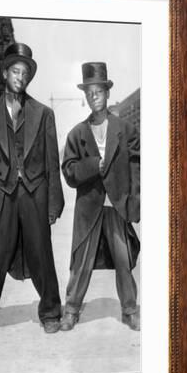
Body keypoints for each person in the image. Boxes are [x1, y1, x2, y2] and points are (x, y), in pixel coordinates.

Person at [0, 43, 64, 335]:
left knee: (41, 253)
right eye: (15, 70)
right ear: (5, 72)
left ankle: (50, 311)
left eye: (25, 72)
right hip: (1, 192)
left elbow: (52, 162)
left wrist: (53, 204)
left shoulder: (44, 113)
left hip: (35, 191)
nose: (20, 76)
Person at [60, 62, 140, 332]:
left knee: (123, 259)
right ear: (85, 96)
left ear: (107, 93)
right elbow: (69, 171)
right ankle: (71, 309)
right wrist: (94, 165)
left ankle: (130, 309)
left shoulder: (125, 129)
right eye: (89, 92)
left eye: (99, 91)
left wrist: (135, 199)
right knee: (81, 262)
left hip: (116, 205)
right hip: (89, 207)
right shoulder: (77, 133)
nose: (94, 96)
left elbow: (137, 165)